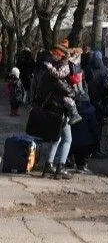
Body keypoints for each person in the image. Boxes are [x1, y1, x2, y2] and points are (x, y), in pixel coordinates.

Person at [34, 45, 75, 180]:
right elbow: (67, 90)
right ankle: (60, 168)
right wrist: (72, 91)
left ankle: (48, 165)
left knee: (56, 138)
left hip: (49, 108)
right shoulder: (57, 74)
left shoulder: (45, 71)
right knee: (67, 139)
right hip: (59, 109)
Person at [42, 40, 82, 125]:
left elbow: (59, 74)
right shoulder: (60, 62)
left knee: (67, 100)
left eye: (54, 55)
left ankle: (75, 114)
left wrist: (50, 67)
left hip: (67, 89)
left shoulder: (65, 64)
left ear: (59, 55)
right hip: (63, 90)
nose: (52, 56)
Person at [86, 50, 108, 159]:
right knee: (98, 128)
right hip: (100, 103)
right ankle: (96, 149)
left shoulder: (87, 69)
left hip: (89, 102)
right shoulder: (104, 70)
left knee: (88, 126)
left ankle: (88, 149)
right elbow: (106, 88)